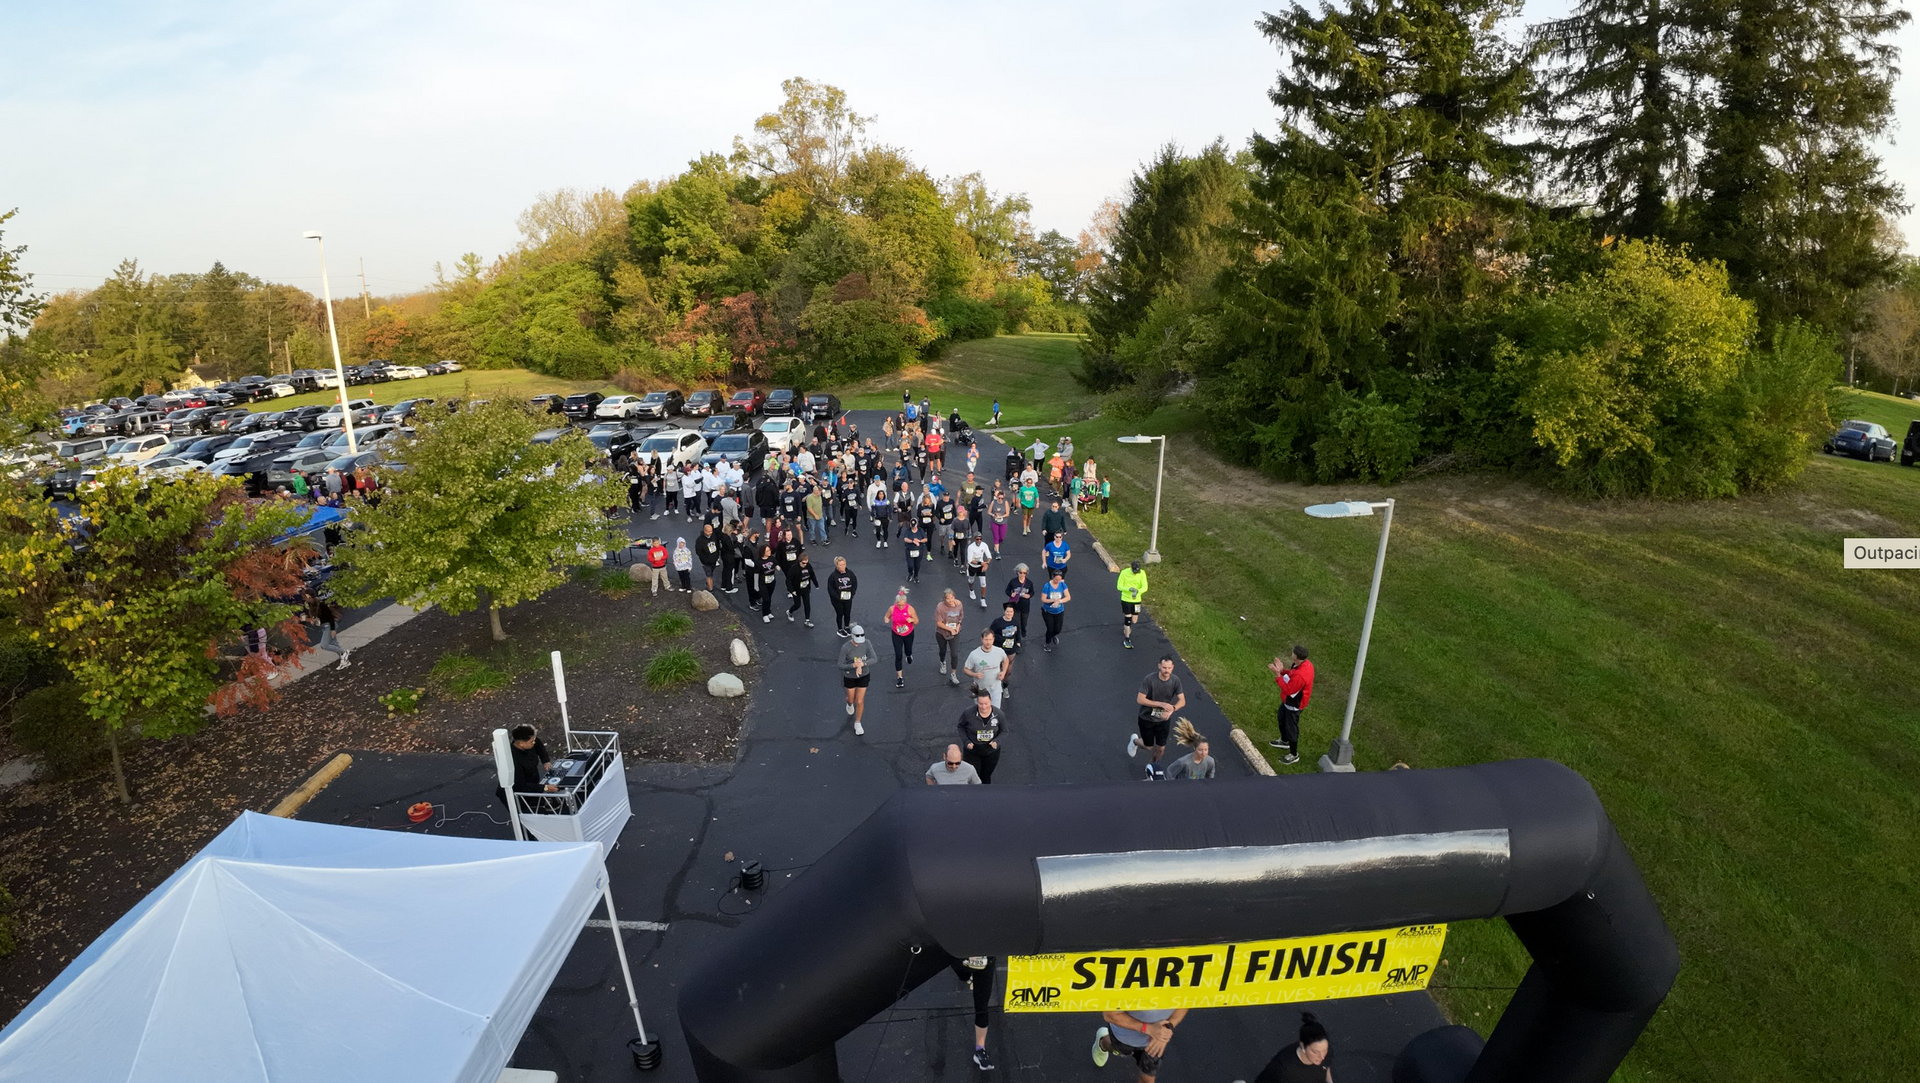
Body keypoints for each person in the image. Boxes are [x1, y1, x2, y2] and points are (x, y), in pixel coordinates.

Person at [1092, 1007, 1187, 1083]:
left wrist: (1167, 1028)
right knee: (1114, 1047)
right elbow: (1109, 1015)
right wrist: (1148, 1029)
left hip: (1156, 1042)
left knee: (1147, 1079)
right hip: (1125, 1037)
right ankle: (1103, 1043)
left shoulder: (1184, 983)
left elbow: (1187, 1001)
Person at [1130, 655, 1187, 772]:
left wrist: (1172, 709)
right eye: (1164, 667)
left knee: (1161, 748)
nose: (1166, 671)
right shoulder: (1149, 680)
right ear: (1159, 666)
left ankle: (1152, 766)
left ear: (1173, 668)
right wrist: (1161, 704)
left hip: (1163, 719)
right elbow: (1140, 699)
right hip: (1147, 717)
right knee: (1149, 746)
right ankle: (1135, 741)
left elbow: (1182, 700)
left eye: (1169, 668)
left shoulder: (1175, 681)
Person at [1266, 645, 1316, 765]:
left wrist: (1278, 675)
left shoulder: (1301, 675)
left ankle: (1293, 754)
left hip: (1294, 705)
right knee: (1281, 718)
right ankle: (1284, 741)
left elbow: (1289, 689)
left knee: (1291, 728)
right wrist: (1283, 671)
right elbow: (1291, 676)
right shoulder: (1303, 665)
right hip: (1288, 702)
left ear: (1296, 657)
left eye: (1293, 653)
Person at [949, 954, 1000, 1071]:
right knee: (962, 975)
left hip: (985, 963)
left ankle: (980, 1049)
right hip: (961, 959)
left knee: (982, 1007)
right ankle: (967, 978)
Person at [1250, 1012, 1332, 1083]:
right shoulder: (1283, 1069)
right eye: (1315, 1052)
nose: (1322, 1056)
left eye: (1325, 1050)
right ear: (1302, 1046)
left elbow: (1325, 1067)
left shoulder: (1325, 1052)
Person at [958, 687, 1005, 783]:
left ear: (991, 701)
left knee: (986, 776)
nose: (983, 707)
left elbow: (1004, 731)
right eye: (980, 704)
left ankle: (985, 795)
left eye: (986, 703)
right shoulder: (968, 713)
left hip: (991, 752)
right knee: (973, 776)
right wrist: (966, 741)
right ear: (977, 702)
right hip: (972, 751)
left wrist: (997, 741)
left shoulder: (998, 714)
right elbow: (960, 727)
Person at [838, 624, 878, 735]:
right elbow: (840, 665)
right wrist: (853, 666)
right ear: (852, 636)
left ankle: (858, 722)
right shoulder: (846, 648)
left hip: (863, 675)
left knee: (860, 700)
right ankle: (849, 704)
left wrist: (863, 664)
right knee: (851, 699)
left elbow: (874, 658)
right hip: (850, 676)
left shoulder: (867, 643)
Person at [504, 723, 557, 799]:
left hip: (533, 780)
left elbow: (539, 746)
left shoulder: (529, 742)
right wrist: (545, 788)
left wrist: (545, 761)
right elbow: (521, 785)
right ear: (521, 743)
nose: (534, 743)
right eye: (531, 742)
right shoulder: (513, 760)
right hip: (520, 794)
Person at [962, 628, 1010, 710]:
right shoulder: (974, 654)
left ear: (993, 639)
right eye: (986, 639)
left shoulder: (999, 651)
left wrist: (1004, 671)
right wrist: (975, 674)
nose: (988, 642)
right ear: (982, 639)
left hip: (995, 688)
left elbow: (1005, 660)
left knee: (995, 711)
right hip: (981, 689)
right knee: (982, 711)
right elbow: (965, 669)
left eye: (990, 639)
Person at [987, 602, 1021, 702]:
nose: (1009, 613)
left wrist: (1018, 642)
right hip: (999, 649)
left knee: (1008, 671)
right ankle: (993, 687)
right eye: (1007, 611)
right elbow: (990, 633)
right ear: (1004, 612)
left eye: (1011, 611)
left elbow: (1018, 633)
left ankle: (1005, 687)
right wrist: (1001, 639)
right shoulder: (997, 622)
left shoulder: (1015, 621)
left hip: (1011, 650)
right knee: (997, 669)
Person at [886, 588, 918, 689]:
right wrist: (887, 619)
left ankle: (908, 655)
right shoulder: (892, 608)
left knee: (908, 650)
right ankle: (900, 678)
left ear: (905, 603)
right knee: (898, 654)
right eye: (899, 605)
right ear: (896, 603)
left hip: (908, 633)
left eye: (902, 605)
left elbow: (917, 621)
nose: (901, 606)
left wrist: (911, 619)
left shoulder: (910, 609)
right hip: (896, 634)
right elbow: (887, 616)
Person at [934, 588, 966, 684]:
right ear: (944, 599)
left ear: (954, 597)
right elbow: (938, 623)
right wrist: (950, 629)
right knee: (942, 650)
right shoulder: (940, 607)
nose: (950, 600)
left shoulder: (959, 604)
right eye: (948, 599)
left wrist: (958, 626)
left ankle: (953, 674)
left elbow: (960, 617)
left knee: (954, 654)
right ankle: (942, 662)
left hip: (955, 633)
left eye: (951, 598)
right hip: (941, 633)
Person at [1116, 560, 1149, 648]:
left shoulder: (1142, 573)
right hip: (1126, 599)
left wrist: (1138, 591)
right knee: (1128, 618)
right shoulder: (1124, 573)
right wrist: (1128, 589)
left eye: (1137, 572)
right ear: (1131, 567)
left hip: (1137, 600)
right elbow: (1119, 586)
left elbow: (1145, 587)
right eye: (1134, 571)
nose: (1135, 573)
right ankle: (1127, 639)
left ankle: (1128, 627)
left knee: (1134, 619)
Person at [1038, 568, 1070, 651]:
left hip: (1059, 611)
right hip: (1048, 611)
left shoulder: (1063, 585)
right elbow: (1043, 599)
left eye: (1059, 579)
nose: (1058, 581)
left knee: (1058, 629)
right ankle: (1047, 643)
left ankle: (1053, 635)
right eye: (1056, 579)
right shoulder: (1047, 586)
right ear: (1052, 577)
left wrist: (1060, 601)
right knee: (1050, 628)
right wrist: (1053, 600)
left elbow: (1068, 597)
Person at [828, 556, 859, 637]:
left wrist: (852, 594)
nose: (842, 566)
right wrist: (837, 597)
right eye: (840, 565)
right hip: (837, 600)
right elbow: (830, 589)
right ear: (837, 566)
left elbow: (855, 583)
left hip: (848, 598)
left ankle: (846, 627)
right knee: (840, 613)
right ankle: (840, 629)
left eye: (844, 564)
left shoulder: (850, 573)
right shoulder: (833, 576)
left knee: (847, 613)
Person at [786, 552, 817, 627]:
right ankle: (790, 612)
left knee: (807, 604)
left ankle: (807, 620)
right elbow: (788, 580)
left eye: (806, 563)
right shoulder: (794, 568)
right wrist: (792, 590)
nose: (805, 565)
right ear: (800, 561)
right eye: (803, 563)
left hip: (805, 589)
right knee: (797, 605)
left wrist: (816, 584)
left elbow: (812, 574)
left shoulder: (808, 566)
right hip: (796, 590)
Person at [1006, 564, 1035, 640]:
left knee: (1024, 622)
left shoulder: (1029, 583)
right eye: (1020, 572)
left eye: (1024, 573)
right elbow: (1007, 590)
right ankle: (1018, 637)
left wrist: (1029, 595)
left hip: (1025, 606)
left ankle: (1023, 628)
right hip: (1016, 606)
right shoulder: (1013, 582)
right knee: (1017, 623)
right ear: (1017, 572)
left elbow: (1032, 592)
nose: (1022, 574)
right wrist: (1011, 594)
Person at [966, 533, 994, 607]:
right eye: (977, 539)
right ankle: (971, 590)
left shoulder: (984, 545)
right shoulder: (971, 547)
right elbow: (970, 560)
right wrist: (981, 563)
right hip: (972, 566)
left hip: (980, 567)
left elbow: (989, 556)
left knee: (983, 583)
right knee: (971, 580)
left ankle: (983, 599)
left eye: (980, 539)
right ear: (974, 539)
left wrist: (986, 563)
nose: (979, 541)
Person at [902, 514, 931, 584]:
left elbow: (925, 539)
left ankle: (916, 575)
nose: (913, 528)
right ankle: (910, 573)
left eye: (914, 526)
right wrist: (913, 541)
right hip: (910, 550)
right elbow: (905, 539)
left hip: (919, 550)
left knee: (917, 565)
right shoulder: (908, 531)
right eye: (912, 526)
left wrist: (919, 541)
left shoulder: (920, 530)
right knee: (910, 565)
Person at [755, 542, 780, 622]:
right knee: (765, 598)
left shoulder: (771, 558)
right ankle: (764, 614)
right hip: (763, 582)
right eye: (767, 551)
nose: (769, 552)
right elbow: (756, 573)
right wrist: (756, 585)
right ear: (763, 552)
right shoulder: (758, 562)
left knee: (769, 597)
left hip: (772, 581)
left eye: (769, 550)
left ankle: (768, 611)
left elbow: (775, 564)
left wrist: (777, 567)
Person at [696, 524, 722, 592]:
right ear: (704, 531)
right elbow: (698, 551)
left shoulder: (713, 536)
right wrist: (705, 559)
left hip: (714, 559)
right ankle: (711, 589)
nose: (710, 533)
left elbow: (717, 545)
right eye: (708, 531)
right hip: (706, 562)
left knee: (711, 573)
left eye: (711, 531)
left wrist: (717, 555)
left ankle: (708, 583)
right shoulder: (700, 540)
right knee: (709, 575)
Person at [987, 482, 1011, 556]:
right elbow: (988, 512)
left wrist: (1001, 516)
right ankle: (997, 551)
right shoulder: (993, 502)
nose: (1000, 499)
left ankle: (997, 543)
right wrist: (993, 515)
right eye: (999, 498)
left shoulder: (1005, 503)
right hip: (994, 522)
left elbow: (1007, 513)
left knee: (1002, 537)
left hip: (1003, 522)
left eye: (1002, 498)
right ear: (997, 497)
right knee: (996, 536)